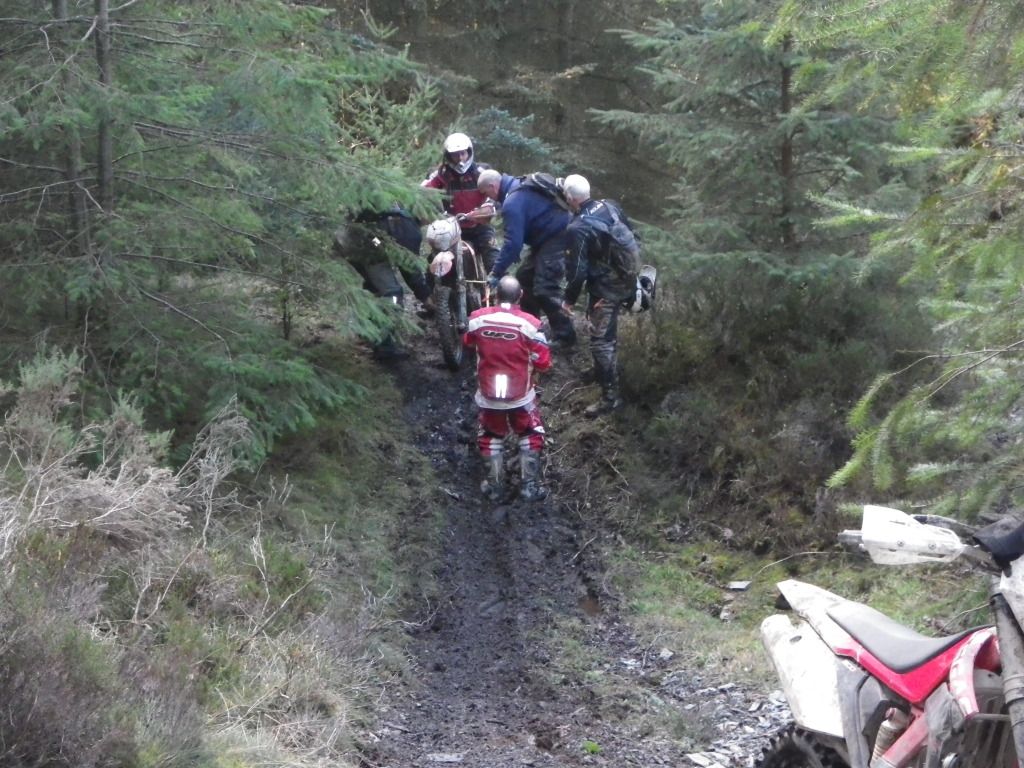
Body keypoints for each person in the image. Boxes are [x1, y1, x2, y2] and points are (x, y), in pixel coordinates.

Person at [462, 275, 552, 502]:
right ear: (520, 296)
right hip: (520, 394)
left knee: (491, 435)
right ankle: (528, 486)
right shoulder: (531, 325)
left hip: (488, 393)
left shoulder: (476, 320)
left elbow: (467, 342)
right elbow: (544, 362)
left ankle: (494, 486)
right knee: (530, 434)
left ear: (494, 295)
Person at [477, 169, 576, 349]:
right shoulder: (517, 185)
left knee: (545, 286)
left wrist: (495, 273)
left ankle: (566, 336)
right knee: (524, 279)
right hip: (546, 238)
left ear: (492, 186)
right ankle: (531, 327)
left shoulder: (512, 203)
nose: (487, 197)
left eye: (486, 193)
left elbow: (513, 244)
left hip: (559, 236)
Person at [562, 174, 635, 415]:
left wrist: (569, 299)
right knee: (600, 330)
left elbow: (577, 271)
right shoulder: (609, 205)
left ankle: (610, 398)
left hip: (607, 287)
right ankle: (599, 373)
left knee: (601, 342)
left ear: (571, 198)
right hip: (624, 276)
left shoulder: (578, 228)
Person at [334, 206, 431, 360]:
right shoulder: (408, 228)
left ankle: (367, 332)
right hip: (362, 244)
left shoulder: (396, 215)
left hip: (348, 238)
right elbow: (409, 267)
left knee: (374, 287)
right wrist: (425, 296)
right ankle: (384, 347)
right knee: (392, 294)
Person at [421, 132, 499, 272]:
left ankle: (497, 289)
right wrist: (432, 211)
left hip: (478, 226)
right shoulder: (441, 174)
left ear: (469, 152)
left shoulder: (482, 171)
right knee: (434, 261)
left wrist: (488, 206)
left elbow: (496, 191)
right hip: (451, 228)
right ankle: (430, 292)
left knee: (493, 255)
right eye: (455, 154)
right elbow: (422, 192)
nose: (460, 158)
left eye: (463, 153)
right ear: (448, 156)